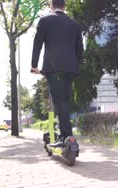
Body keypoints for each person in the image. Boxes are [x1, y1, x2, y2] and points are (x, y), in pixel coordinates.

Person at [31, 0, 84, 147]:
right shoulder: (74, 24)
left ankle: (66, 137)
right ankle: (66, 136)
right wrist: (76, 65)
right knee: (64, 101)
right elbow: (80, 49)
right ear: (64, 7)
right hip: (71, 69)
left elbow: (38, 43)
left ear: (51, 6)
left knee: (60, 102)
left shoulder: (45, 20)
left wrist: (34, 65)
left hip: (54, 68)